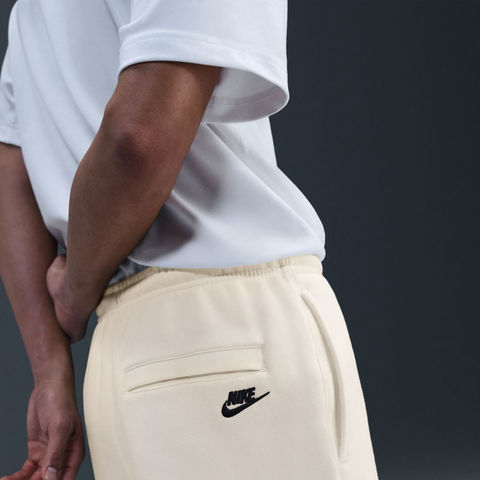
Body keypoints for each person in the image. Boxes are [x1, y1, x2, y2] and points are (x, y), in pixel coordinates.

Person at [0, 0, 379, 479]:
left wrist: (50, 375)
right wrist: (75, 290)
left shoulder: (29, 13)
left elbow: (12, 165)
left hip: (120, 362)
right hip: (233, 328)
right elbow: (139, 136)